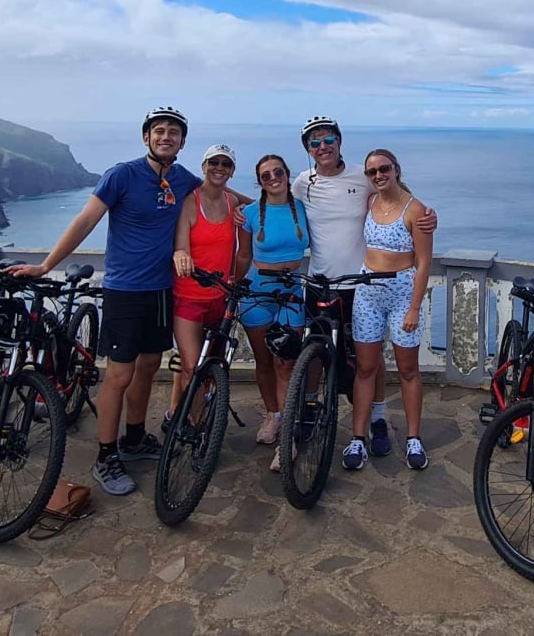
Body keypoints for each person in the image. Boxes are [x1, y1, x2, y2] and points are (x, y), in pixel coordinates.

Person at [8, 107, 200, 497]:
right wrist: (47, 265)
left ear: (182, 141)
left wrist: (270, 200)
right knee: (119, 375)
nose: (166, 137)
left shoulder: (182, 179)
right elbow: (85, 220)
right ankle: (105, 455)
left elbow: (220, 192)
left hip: (161, 290)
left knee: (148, 366)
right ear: (145, 137)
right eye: (159, 131)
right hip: (125, 291)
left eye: (174, 133)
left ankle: (133, 439)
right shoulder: (122, 175)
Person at [292, 115, 436, 461]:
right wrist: (232, 201)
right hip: (323, 281)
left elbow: (401, 200)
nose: (323, 147)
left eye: (328, 140)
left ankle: (379, 418)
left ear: (340, 142)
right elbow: (273, 195)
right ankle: (314, 409)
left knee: (370, 364)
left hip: (362, 285)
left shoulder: (362, 176)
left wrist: (429, 217)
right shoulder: (302, 182)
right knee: (319, 352)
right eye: (315, 143)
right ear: (308, 150)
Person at [342, 149, 433, 471]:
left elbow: (423, 264)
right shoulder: (370, 202)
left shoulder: (415, 210)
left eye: (384, 169)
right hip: (368, 294)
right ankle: (357, 438)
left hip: (402, 296)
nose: (378, 175)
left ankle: (413, 439)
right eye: (372, 172)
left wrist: (413, 308)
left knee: (407, 370)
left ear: (396, 169)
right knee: (365, 368)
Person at [234, 154, 310, 471]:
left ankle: (287, 439)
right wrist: (233, 286)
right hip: (257, 294)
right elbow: (243, 256)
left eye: (278, 172)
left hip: (291, 292)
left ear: (287, 174)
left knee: (286, 364)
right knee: (264, 360)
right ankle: (273, 415)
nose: (273, 178)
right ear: (260, 181)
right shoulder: (249, 214)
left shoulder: (304, 209)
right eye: (266, 175)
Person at [167, 144, 242, 429]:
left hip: (221, 297)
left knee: (212, 365)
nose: (219, 168)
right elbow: (181, 243)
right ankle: (193, 427)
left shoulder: (232, 202)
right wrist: (181, 254)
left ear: (232, 171)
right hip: (189, 296)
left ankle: (181, 411)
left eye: (225, 164)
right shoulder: (189, 201)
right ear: (203, 166)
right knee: (191, 366)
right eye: (214, 163)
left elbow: (257, 209)